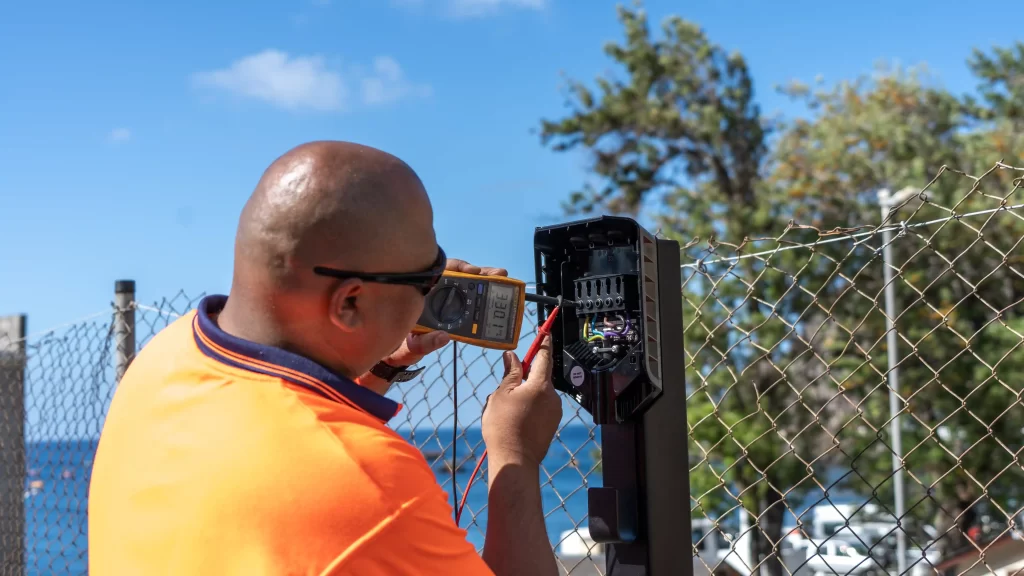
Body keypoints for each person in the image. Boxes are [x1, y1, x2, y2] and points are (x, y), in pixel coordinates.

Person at [88, 141, 564, 575]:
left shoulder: (162, 358)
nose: (438, 286)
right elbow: (320, 462)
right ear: (350, 303)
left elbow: (284, 423)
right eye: (427, 275)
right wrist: (514, 454)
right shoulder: (369, 485)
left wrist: (379, 362)